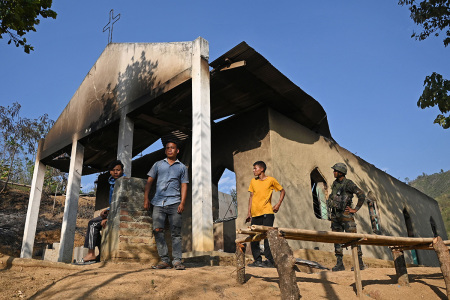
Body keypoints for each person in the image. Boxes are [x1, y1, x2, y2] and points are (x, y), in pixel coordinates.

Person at [144, 141, 188, 270]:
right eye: (167, 148)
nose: (170, 150)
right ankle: (165, 260)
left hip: (175, 202)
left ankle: (177, 261)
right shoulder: (158, 165)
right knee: (157, 230)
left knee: (176, 233)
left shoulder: (182, 167)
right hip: (158, 202)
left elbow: (184, 185)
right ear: (165, 151)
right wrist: (146, 198)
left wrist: (182, 202)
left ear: (177, 151)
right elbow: (149, 182)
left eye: (172, 148)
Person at [78, 160, 124, 265]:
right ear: (109, 171)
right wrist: (106, 211)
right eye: (113, 170)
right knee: (94, 224)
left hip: (120, 214)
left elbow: (122, 203)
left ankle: (91, 253)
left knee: (93, 224)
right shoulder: (112, 182)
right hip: (113, 212)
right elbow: (114, 203)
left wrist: (108, 218)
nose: (116, 172)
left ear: (122, 171)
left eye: (118, 170)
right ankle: (98, 253)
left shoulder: (123, 182)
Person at [327, 162, 366, 271]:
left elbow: (361, 195)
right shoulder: (335, 184)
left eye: (335, 170)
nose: (333, 172)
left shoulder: (348, 184)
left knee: (353, 238)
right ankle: (339, 264)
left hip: (345, 215)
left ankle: (360, 263)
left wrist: (355, 209)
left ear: (341, 172)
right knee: (336, 239)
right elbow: (332, 196)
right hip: (335, 216)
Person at [246, 161, 285, 268]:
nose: (253, 170)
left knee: (268, 236)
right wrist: (249, 212)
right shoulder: (253, 181)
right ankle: (257, 260)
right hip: (255, 214)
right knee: (253, 237)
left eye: (255, 168)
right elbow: (251, 197)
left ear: (261, 169)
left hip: (267, 213)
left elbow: (282, 191)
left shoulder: (271, 180)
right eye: (253, 169)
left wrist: (278, 204)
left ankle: (269, 260)